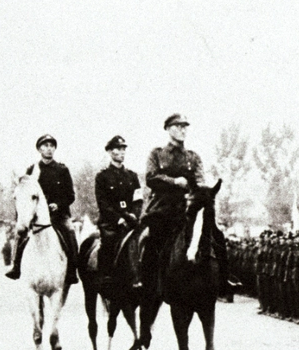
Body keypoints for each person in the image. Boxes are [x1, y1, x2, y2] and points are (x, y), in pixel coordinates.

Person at [137, 114, 230, 295]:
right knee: (149, 241)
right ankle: (145, 281)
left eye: (185, 127)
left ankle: (225, 280)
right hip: (162, 211)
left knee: (217, 236)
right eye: (178, 126)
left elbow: (200, 179)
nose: (182, 130)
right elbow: (150, 178)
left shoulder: (193, 157)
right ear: (168, 129)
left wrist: (203, 190)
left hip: (188, 212)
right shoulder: (157, 154)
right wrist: (174, 182)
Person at [6, 134, 79, 285]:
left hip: (59, 215)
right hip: (37, 216)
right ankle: (16, 266)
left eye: (51, 146)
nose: (49, 149)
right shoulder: (32, 170)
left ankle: (72, 270)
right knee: (20, 234)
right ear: (39, 149)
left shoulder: (62, 170)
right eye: (45, 146)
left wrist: (58, 205)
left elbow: (70, 195)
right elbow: (25, 193)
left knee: (70, 232)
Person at [94, 135, 141, 289]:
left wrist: (134, 214)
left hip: (132, 220)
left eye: (123, 149)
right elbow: (103, 203)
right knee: (109, 241)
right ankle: (105, 276)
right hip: (111, 222)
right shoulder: (102, 177)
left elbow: (138, 199)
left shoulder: (132, 176)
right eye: (118, 149)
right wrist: (118, 219)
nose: (121, 152)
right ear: (110, 152)